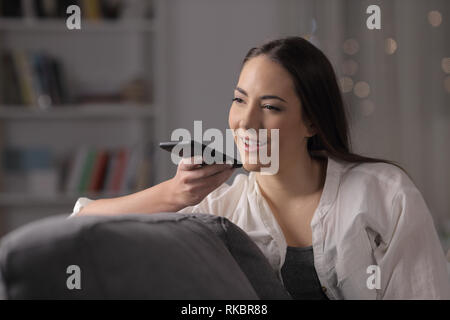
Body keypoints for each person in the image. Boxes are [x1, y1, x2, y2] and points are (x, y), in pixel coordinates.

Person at [70, 37, 450, 299]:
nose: (245, 123)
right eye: (239, 100)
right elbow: (82, 225)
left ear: (312, 122)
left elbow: (425, 288)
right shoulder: (220, 209)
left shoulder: (384, 193)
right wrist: (176, 194)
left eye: (270, 107)